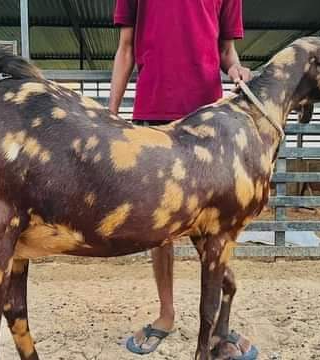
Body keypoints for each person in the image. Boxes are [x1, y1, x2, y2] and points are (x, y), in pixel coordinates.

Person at [109, 0, 256, 357]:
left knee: (214, 228)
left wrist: (236, 69)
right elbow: (125, 48)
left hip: (208, 123)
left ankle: (219, 327)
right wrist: (110, 116)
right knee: (160, 230)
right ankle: (166, 314)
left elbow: (226, 51)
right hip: (153, 115)